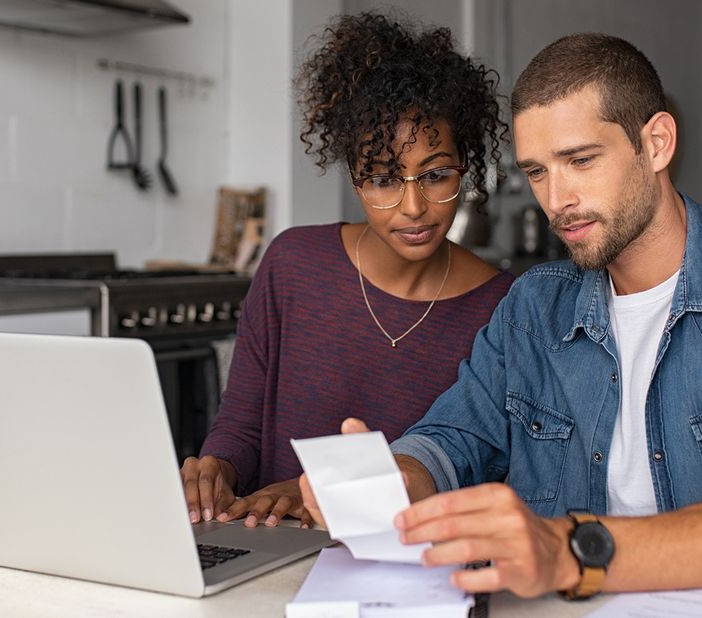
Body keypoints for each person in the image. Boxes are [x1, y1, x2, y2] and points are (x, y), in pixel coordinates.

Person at [302, 32, 702, 599]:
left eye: (580, 160)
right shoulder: (533, 308)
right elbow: (453, 438)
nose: (556, 199)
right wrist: (394, 479)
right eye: (537, 171)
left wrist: (572, 552)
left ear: (656, 143)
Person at [181, 13, 513, 529]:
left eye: (436, 175)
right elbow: (241, 427)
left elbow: (480, 471)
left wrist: (318, 493)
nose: (412, 207)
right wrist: (216, 469)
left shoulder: (503, 308)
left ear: (465, 169)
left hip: (409, 574)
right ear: (354, 179)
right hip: (270, 549)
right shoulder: (292, 265)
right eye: (382, 179)